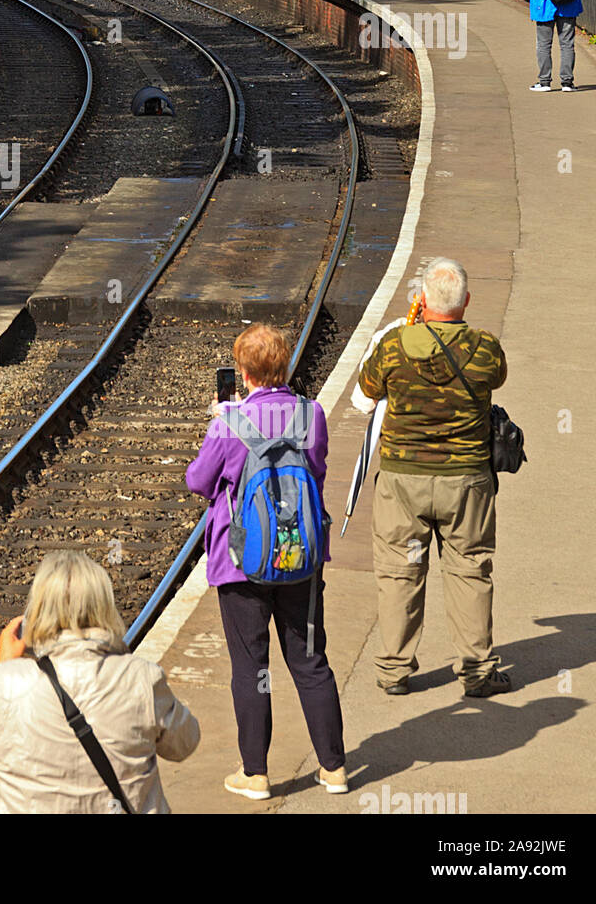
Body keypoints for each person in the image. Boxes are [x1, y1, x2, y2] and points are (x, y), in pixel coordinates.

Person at [186, 323, 346, 801]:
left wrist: (221, 422)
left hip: (242, 562)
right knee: (311, 660)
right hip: (302, 560)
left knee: (252, 665)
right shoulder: (310, 414)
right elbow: (315, 469)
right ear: (283, 367)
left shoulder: (230, 422)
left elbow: (198, 480)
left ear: (243, 372)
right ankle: (334, 768)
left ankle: (255, 774)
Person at [0, 549, 199, 813]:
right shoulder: (142, 678)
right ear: (105, 607)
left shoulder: (2, 684)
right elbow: (184, 743)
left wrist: (2, 669)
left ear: (36, 612)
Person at [358, 257, 509, 697]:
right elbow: (497, 378)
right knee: (470, 570)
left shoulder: (392, 345)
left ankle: (394, 671)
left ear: (421, 300)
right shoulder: (485, 348)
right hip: (466, 482)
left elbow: (368, 392)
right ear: (466, 301)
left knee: (400, 571)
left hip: (403, 481)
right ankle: (478, 671)